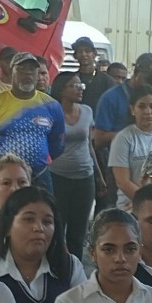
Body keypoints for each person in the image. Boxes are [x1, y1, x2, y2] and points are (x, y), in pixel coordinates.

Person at [0, 53, 66, 191]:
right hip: (5, 179)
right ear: (11, 72)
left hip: (40, 176)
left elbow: (58, 143)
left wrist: (39, 160)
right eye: (21, 69)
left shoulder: (52, 105)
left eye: (32, 69)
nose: (27, 73)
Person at [47, 71, 97, 257]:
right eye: (75, 86)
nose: (80, 89)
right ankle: (56, 266)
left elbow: (89, 145)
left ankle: (75, 268)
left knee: (78, 232)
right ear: (61, 89)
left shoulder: (87, 111)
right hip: (58, 177)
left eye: (81, 85)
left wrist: (99, 175)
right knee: (57, 227)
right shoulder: (51, 113)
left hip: (85, 178)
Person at [94, 52, 152, 148]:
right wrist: (135, 134)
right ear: (136, 73)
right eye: (147, 79)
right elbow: (99, 138)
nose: (151, 84)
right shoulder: (111, 97)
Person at [74, 37, 113, 111]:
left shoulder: (107, 81)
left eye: (87, 51)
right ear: (75, 56)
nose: (83, 54)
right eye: (80, 51)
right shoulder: (71, 80)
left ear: (94, 54)